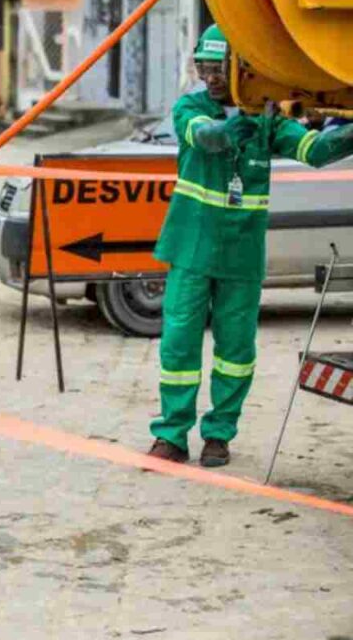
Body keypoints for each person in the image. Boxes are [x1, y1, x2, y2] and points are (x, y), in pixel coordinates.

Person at [146, 25, 353, 466]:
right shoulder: (190, 108)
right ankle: (171, 435)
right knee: (179, 344)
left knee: (236, 350)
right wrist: (240, 120)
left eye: (219, 68)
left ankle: (219, 434)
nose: (212, 78)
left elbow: (315, 150)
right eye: (205, 68)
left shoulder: (268, 121)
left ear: (243, 68)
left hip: (241, 254)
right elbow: (207, 137)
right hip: (192, 248)